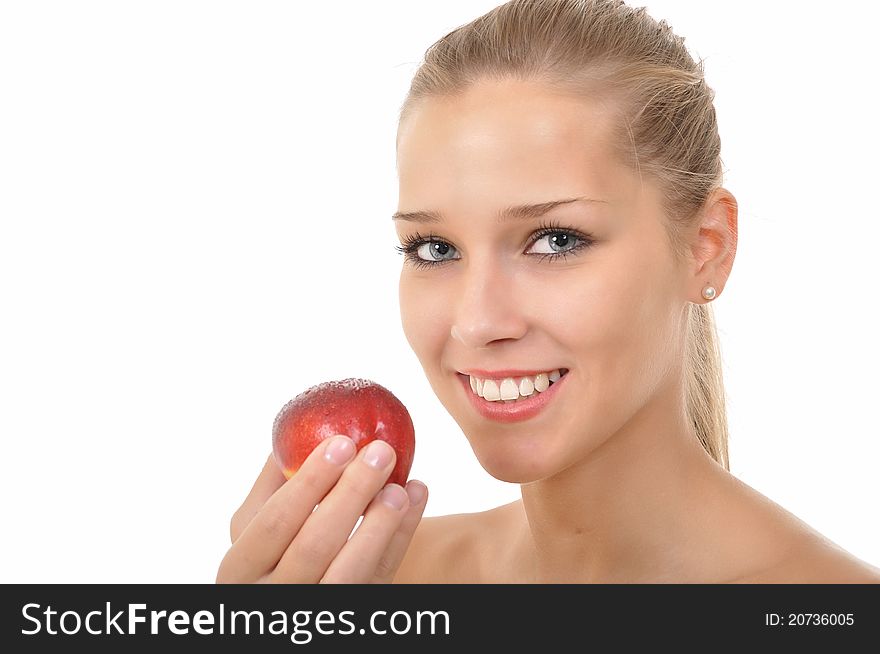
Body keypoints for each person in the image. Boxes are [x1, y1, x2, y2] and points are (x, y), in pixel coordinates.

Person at [217, 0, 880, 584]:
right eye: (435, 249)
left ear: (707, 245)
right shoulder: (383, 584)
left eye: (555, 240)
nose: (477, 323)